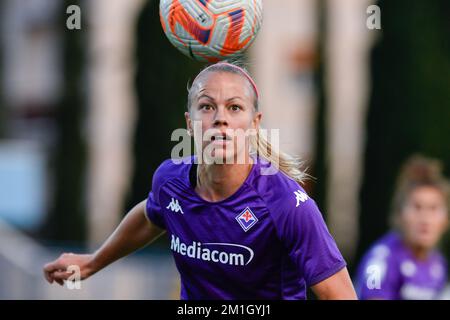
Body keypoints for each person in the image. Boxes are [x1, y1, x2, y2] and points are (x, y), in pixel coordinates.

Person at [43, 62, 356, 300]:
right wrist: (93, 262)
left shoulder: (286, 204)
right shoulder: (170, 181)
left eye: (235, 107)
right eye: (207, 107)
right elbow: (151, 216)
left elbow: (339, 294)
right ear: (190, 124)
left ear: (253, 124)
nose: (220, 117)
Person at [355, 155, 449, 300]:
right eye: (417, 207)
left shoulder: (438, 264)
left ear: (446, 220)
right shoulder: (382, 259)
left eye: (433, 208)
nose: (425, 218)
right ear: (399, 214)